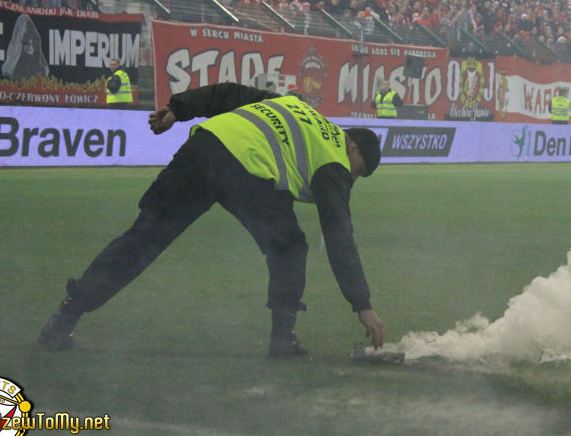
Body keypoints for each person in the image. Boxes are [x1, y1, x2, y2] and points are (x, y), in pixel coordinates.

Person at [37, 82, 386, 357]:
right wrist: (362, 304)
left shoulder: (294, 105)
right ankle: (283, 338)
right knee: (290, 248)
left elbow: (229, 94)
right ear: (353, 147)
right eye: (358, 173)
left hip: (203, 149)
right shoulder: (335, 160)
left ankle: (63, 319)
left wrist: (177, 109)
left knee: (143, 240)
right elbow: (340, 235)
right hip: (246, 171)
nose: (351, 180)